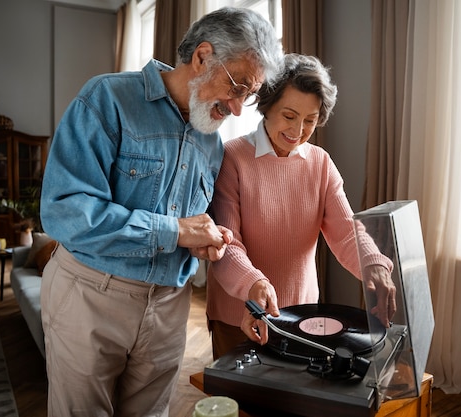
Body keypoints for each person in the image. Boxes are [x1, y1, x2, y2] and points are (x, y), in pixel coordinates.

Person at [39, 7, 283, 417]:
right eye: (237, 86)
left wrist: (203, 243)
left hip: (170, 307)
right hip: (91, 296)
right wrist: (173, 231)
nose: (239, 108)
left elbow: (194, 226)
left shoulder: (211, 143)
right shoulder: (107, 98)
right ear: (203, 57)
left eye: (249, 95)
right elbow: (66, 212)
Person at [206, 54, 396, 359]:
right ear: (267, 107)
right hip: (239, 312)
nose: (298, 130)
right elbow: (226, 244)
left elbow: (347, 232)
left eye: (310, 120)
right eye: (289, 115)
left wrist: (373, 263)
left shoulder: (320, 163)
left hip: (303, 317)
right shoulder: (231, 158)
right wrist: (254, 284)